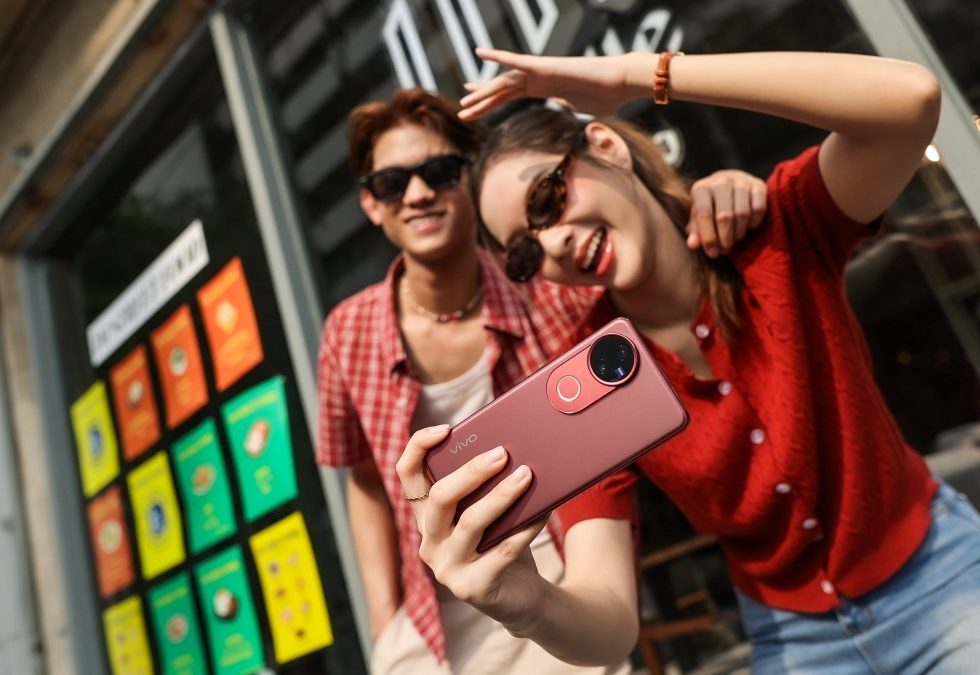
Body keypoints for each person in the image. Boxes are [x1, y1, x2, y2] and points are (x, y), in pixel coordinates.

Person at [396, 49, 980, 673]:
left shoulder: (772, 234)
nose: (554, 242)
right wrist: (531, 605)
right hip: (795, 638)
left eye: (547, 199)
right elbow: (610, 624)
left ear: (607, 148)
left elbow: (910, 100)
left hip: (935, 572)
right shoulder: (585, 385)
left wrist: (634, 76)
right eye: (524, 253)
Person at [317, 87, 768, 674]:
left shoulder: (549, 285)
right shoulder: (348, 332)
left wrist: (712, 198)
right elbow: (364, 480)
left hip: (559, 576)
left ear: (468, 180)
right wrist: (382, 621)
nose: (419, 193)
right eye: (392, 183)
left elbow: (659, 287)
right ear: (371, 204)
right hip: (431, 621)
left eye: (440, 171)